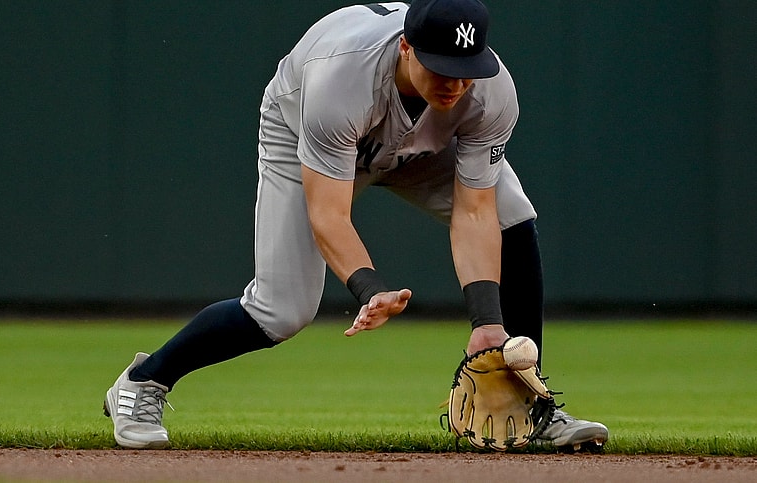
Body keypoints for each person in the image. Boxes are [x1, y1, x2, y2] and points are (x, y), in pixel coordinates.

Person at [103, 0, 608, 451]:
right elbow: (329, 214)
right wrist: (367, 286)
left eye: (467, 69)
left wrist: (487, 324)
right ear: (407, 47)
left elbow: (476, 212)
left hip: (426, 147)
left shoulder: (491, 92)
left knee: (511, 216)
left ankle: (527, 403)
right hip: (300, 129)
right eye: (441, 67)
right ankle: (145, 380)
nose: (455, 81)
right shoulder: (341, 79)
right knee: (281, 310)